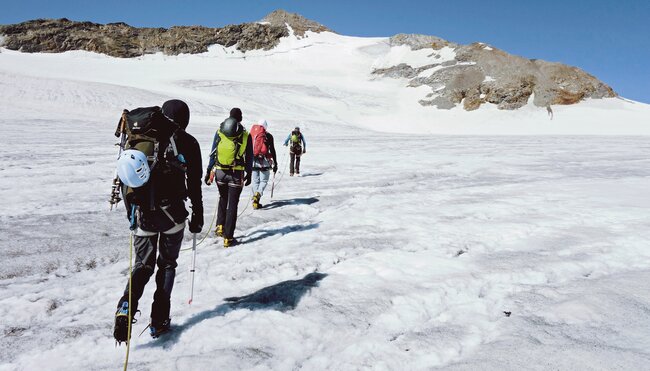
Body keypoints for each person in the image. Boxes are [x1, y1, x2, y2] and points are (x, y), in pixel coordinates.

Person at [113, 99, 203, 342]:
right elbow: (194, 184)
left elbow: (125, 178)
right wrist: (198, 216)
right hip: (172, 216)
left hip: (142, 215)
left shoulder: (140, 138)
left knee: (142, 266)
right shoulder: (188, 142)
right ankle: (159, 321)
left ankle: (125, 306)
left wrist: (132, 216)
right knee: (167, 265)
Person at [205, 108, 253, 247]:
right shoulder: (245, 135)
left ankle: (220, 226)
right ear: (240, 119)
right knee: (232, 204)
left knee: (223, 198)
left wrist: (209, 170)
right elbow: (249, 157)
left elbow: (213, 152)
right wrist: (248, 173)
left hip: (220, 172)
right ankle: (228, 237)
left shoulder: (220, 131)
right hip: (236, 174)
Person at [249, 119, 278, 209]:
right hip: (264, 161)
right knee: (263, 181)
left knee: (255, 181)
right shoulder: (268, 136)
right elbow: (272, 150)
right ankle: (258, 194)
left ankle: (255, 202)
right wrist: (275, 163)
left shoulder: (252, 135)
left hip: (253, 161)